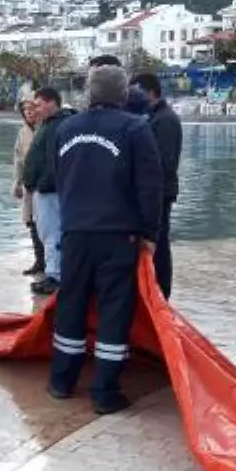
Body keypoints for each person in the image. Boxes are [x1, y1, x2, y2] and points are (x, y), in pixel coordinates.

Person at [50, 60, 163, 415]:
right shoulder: (135, 129)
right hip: (117, 235)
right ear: (124, 94)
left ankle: (61, 381)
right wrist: (150, 232)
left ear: (89, 94)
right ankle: (105, 390)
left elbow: (58, 177)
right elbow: (150, 185)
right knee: (115, 308)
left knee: (71, 305)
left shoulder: (66, 129)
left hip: (75, 233)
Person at [129, 72, 183, 300]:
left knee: (159, 245)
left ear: (150, 92)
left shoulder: (165, 120)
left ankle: (162, 292)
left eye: (136, 91)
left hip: (160, 194)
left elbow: (164, 163)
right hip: (150, 193)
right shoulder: (148, 118)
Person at [22, 87, 76, 294]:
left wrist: (44, 182)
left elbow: (55, 159)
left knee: (52, 233)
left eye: (38, 104)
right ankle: (53, 273)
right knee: (49, 233)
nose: (35, 109)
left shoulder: (57, 125)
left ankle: (55, 276)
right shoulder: (50, 124)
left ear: (51, 102)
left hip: (50, 190)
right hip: (44, 188)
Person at [11, 99, 45, 277]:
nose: (28, 112)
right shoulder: (22, 132)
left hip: (45, 184)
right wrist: (16, 183)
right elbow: (17, 160)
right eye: (25, 109)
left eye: (31, 109)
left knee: (46, 223)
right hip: (28, 185)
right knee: (31, 222)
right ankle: (39, 261)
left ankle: (50, 261)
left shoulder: (45, 129)